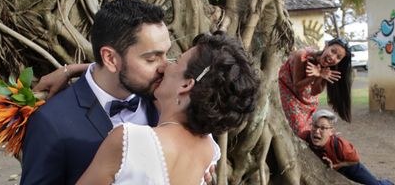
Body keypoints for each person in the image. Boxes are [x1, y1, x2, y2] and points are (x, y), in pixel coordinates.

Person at [77, 31, 260, 185]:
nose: (165, 65)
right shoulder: (209, 151)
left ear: (186, 85)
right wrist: (73, 70)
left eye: (177, 61)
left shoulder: (129, 140)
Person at [20, 0, 170, 184]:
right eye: (151, 59)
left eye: (166, 54)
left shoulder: (168, 98)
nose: (165, 67)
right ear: (110, 58)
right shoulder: (51, 122)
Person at [278, 37, 352, 138]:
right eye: (333, 51)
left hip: (307, 100)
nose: (333, 57)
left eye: (338, 57)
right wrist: (314, 76)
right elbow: (297, 86)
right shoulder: (302, 55)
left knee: (313, 129)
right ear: (326, 46)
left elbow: (314, 92)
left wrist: (320, 76)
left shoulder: (328, 67)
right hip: (289, 92)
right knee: (300, 132)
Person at [307, 109, 394, 185]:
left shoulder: (341, 146)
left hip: (350, 166)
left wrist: (336, 166)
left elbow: (355, 161)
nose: (317, 131)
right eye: (315, 126)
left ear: (331, 132)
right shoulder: (305, 138)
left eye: (323, 128)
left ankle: (388, 183)